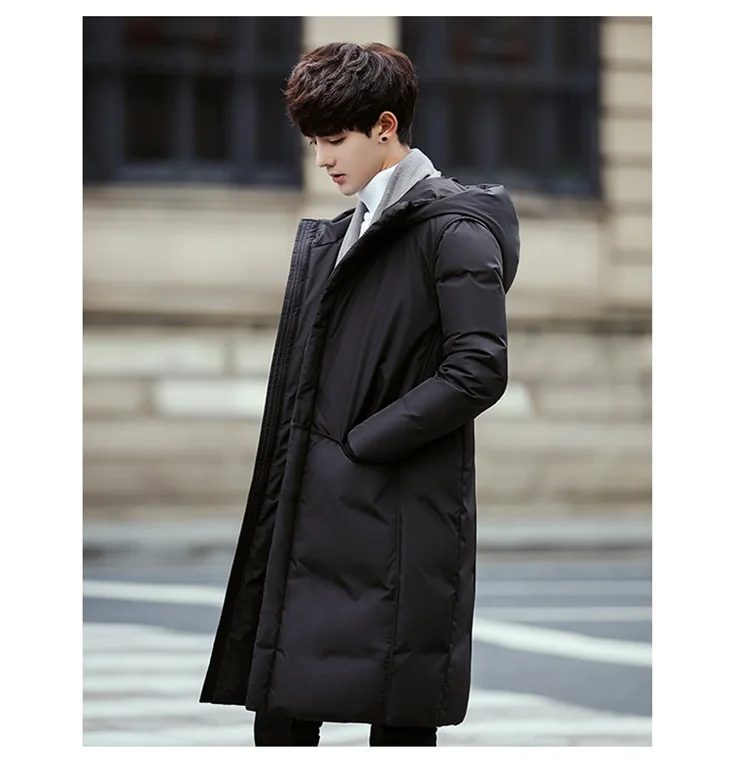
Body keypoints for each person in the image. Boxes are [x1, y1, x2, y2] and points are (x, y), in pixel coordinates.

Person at [199, 41, 520, 747]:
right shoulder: (345, 233)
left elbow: (478, 369)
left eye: (335, 139)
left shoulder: (454, 230)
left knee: (397, 719)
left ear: (385, 127)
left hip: (395, 514)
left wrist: (361, 445)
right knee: (280, 714)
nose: (321, 159)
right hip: (314, 513)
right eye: (313, 141)